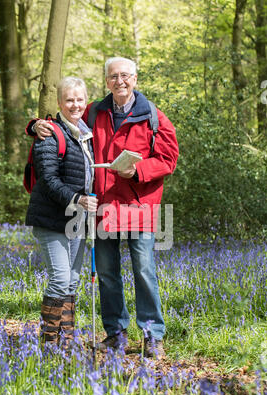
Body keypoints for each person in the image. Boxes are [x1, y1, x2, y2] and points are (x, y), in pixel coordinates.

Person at [28, 57, 179, 358]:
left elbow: (168, 160)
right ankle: (116, 333)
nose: (119, 81)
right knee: (107, 273)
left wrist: (138, 171)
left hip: (140, 206)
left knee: (144, 271)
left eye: (125, 76)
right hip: (104, 205)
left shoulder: (153, 116)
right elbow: (63, 118)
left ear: (135, 78)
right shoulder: (95, 110)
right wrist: (35, 125)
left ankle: (152, 336)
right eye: (113, 76)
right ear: (106, 80)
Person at [25, 76, 98, 351]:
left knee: (73, 280)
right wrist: (78, 199)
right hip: (52, 219)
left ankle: (67, 340)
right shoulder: (50, 133)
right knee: (60, 278)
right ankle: (48, 343)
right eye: (69, 100)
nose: (75, 104)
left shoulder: (84, 133)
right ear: (59, 102)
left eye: (80, 99)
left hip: (76, 221)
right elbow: (48, 180)